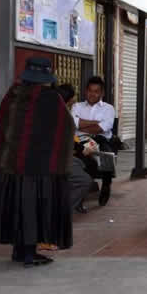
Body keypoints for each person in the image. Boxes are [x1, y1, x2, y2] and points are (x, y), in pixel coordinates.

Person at [0, 57, 75, 267]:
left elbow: (2, 127)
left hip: (9, 165)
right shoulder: (51, 99)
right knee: (32, 210)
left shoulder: (13, 95)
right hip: (39, 167)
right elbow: (66, 127)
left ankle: (19, 251)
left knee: (17, 207)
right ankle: (28, 254)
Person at [71, 76, 116, 206]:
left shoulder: (108, 108)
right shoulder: (76, 106)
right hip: (80, 140)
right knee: (80, 157)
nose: (92, 94)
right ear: (86, 91)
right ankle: (82, 189)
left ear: (102, 93)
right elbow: (74, 124)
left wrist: (82, 124)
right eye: (90, 90)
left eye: (96, 91)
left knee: (106, 155)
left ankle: (106, 185)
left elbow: (102, 128)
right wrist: (95, 123)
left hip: (101, 140)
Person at [56, 84, 93, 215]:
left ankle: (78, 203)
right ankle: (61, 212)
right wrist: (81, 148)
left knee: (83, 164)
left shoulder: (62, 110)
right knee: (84, 180)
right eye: (73, 97)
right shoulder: (60, 113)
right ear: (69, 98)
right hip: (57, 157)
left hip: (66, 152)